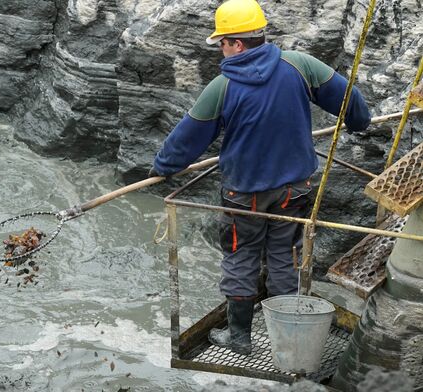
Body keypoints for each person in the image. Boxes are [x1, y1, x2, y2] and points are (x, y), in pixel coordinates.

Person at [148, 0, 370, 355]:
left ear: (236, 43)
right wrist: (360, 123)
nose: (220, 48)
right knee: (285, 254)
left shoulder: (222, 87)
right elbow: (349, 99)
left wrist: (161, 168)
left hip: (244, 193)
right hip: (294, 190)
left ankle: (239, 339)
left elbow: (185, 142)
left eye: (222, 41)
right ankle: (287, 338)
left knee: (241, 257)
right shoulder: (300, 65)